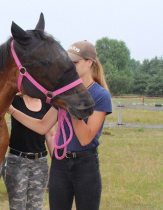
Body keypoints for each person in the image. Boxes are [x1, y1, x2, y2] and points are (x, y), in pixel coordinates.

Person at [7, 40, 112, 210]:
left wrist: (73, 104)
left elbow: (85, 139)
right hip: (60, 162)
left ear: (89, 62)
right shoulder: (63, 91)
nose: (70, 66)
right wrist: (11, 111)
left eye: (75, 63)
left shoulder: (100, 95)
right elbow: (43, 126)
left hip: (85, 164)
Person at [4, 93, 55, 210]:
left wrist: (56, 163)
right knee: (16, 207)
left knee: (36, 207)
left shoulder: (46, 103)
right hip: (16, 162)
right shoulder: (15, 100)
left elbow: (51, 135)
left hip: (40, 164)